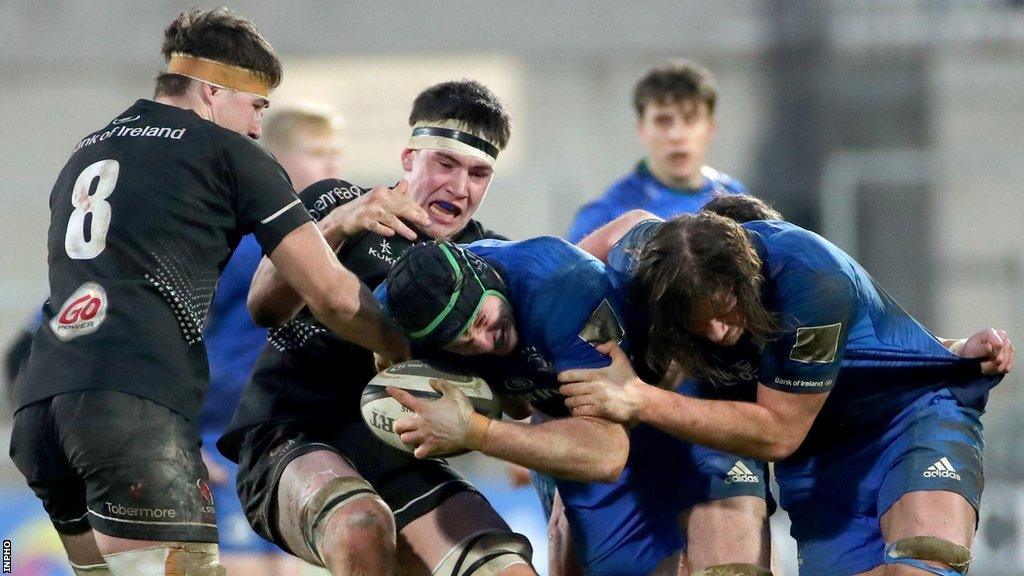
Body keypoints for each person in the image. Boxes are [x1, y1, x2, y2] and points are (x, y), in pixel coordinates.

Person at [8, 9, 406, 576]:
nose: (256, 127)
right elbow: (333, 296)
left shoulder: (86, 151)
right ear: (212, 91)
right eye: (256, 105)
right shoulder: (228, 154)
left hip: (41, 410)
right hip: (134, 408)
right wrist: (396, 346)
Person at [559, 204, 1014, 575]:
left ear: (749, 276)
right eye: (701, 320)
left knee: (924, 554)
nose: (718, 332)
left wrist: (637, 395)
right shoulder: (656, 263)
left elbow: (778, 434)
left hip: (908, 420)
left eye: (726, 310)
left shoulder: (810, 282)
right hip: (819, 457)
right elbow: (625, 229)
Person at [217, 80, 538, 575]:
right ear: (409, 158)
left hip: (395, 453)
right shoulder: (336, 203)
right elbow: (264, 306)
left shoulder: (495, 264)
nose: (459, 187)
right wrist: (342, 222)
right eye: (446, 164)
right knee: (359, 524)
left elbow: (521, 401)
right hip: (290, 433)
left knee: (504, 567)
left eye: (478, 173)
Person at [377, 238, 688, 576]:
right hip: (564, 411)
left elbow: (607, 451)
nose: (484, 343)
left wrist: (474, 431)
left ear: (487, 278)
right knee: (571, 553)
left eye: (481, 319)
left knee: (706, 550)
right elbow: (375, 335)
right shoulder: (398, 305)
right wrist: (391, 354)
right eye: (462, 343)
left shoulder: (564, 287)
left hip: (667, 391)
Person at [199, 101, 343, 575]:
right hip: (223, 446)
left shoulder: (328, 243)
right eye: (318, 152)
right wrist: (183, 437)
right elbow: (174, 336)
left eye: (335, 153)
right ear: (277, 162)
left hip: (286, 437)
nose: (333, 166)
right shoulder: (238, 244)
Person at [565, 60, 747, 244]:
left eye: (690, 119)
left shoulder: (734, 198)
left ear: (710, 128)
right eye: (663, 121)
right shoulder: (607, 216)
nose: (677, 135)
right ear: (641, 129)